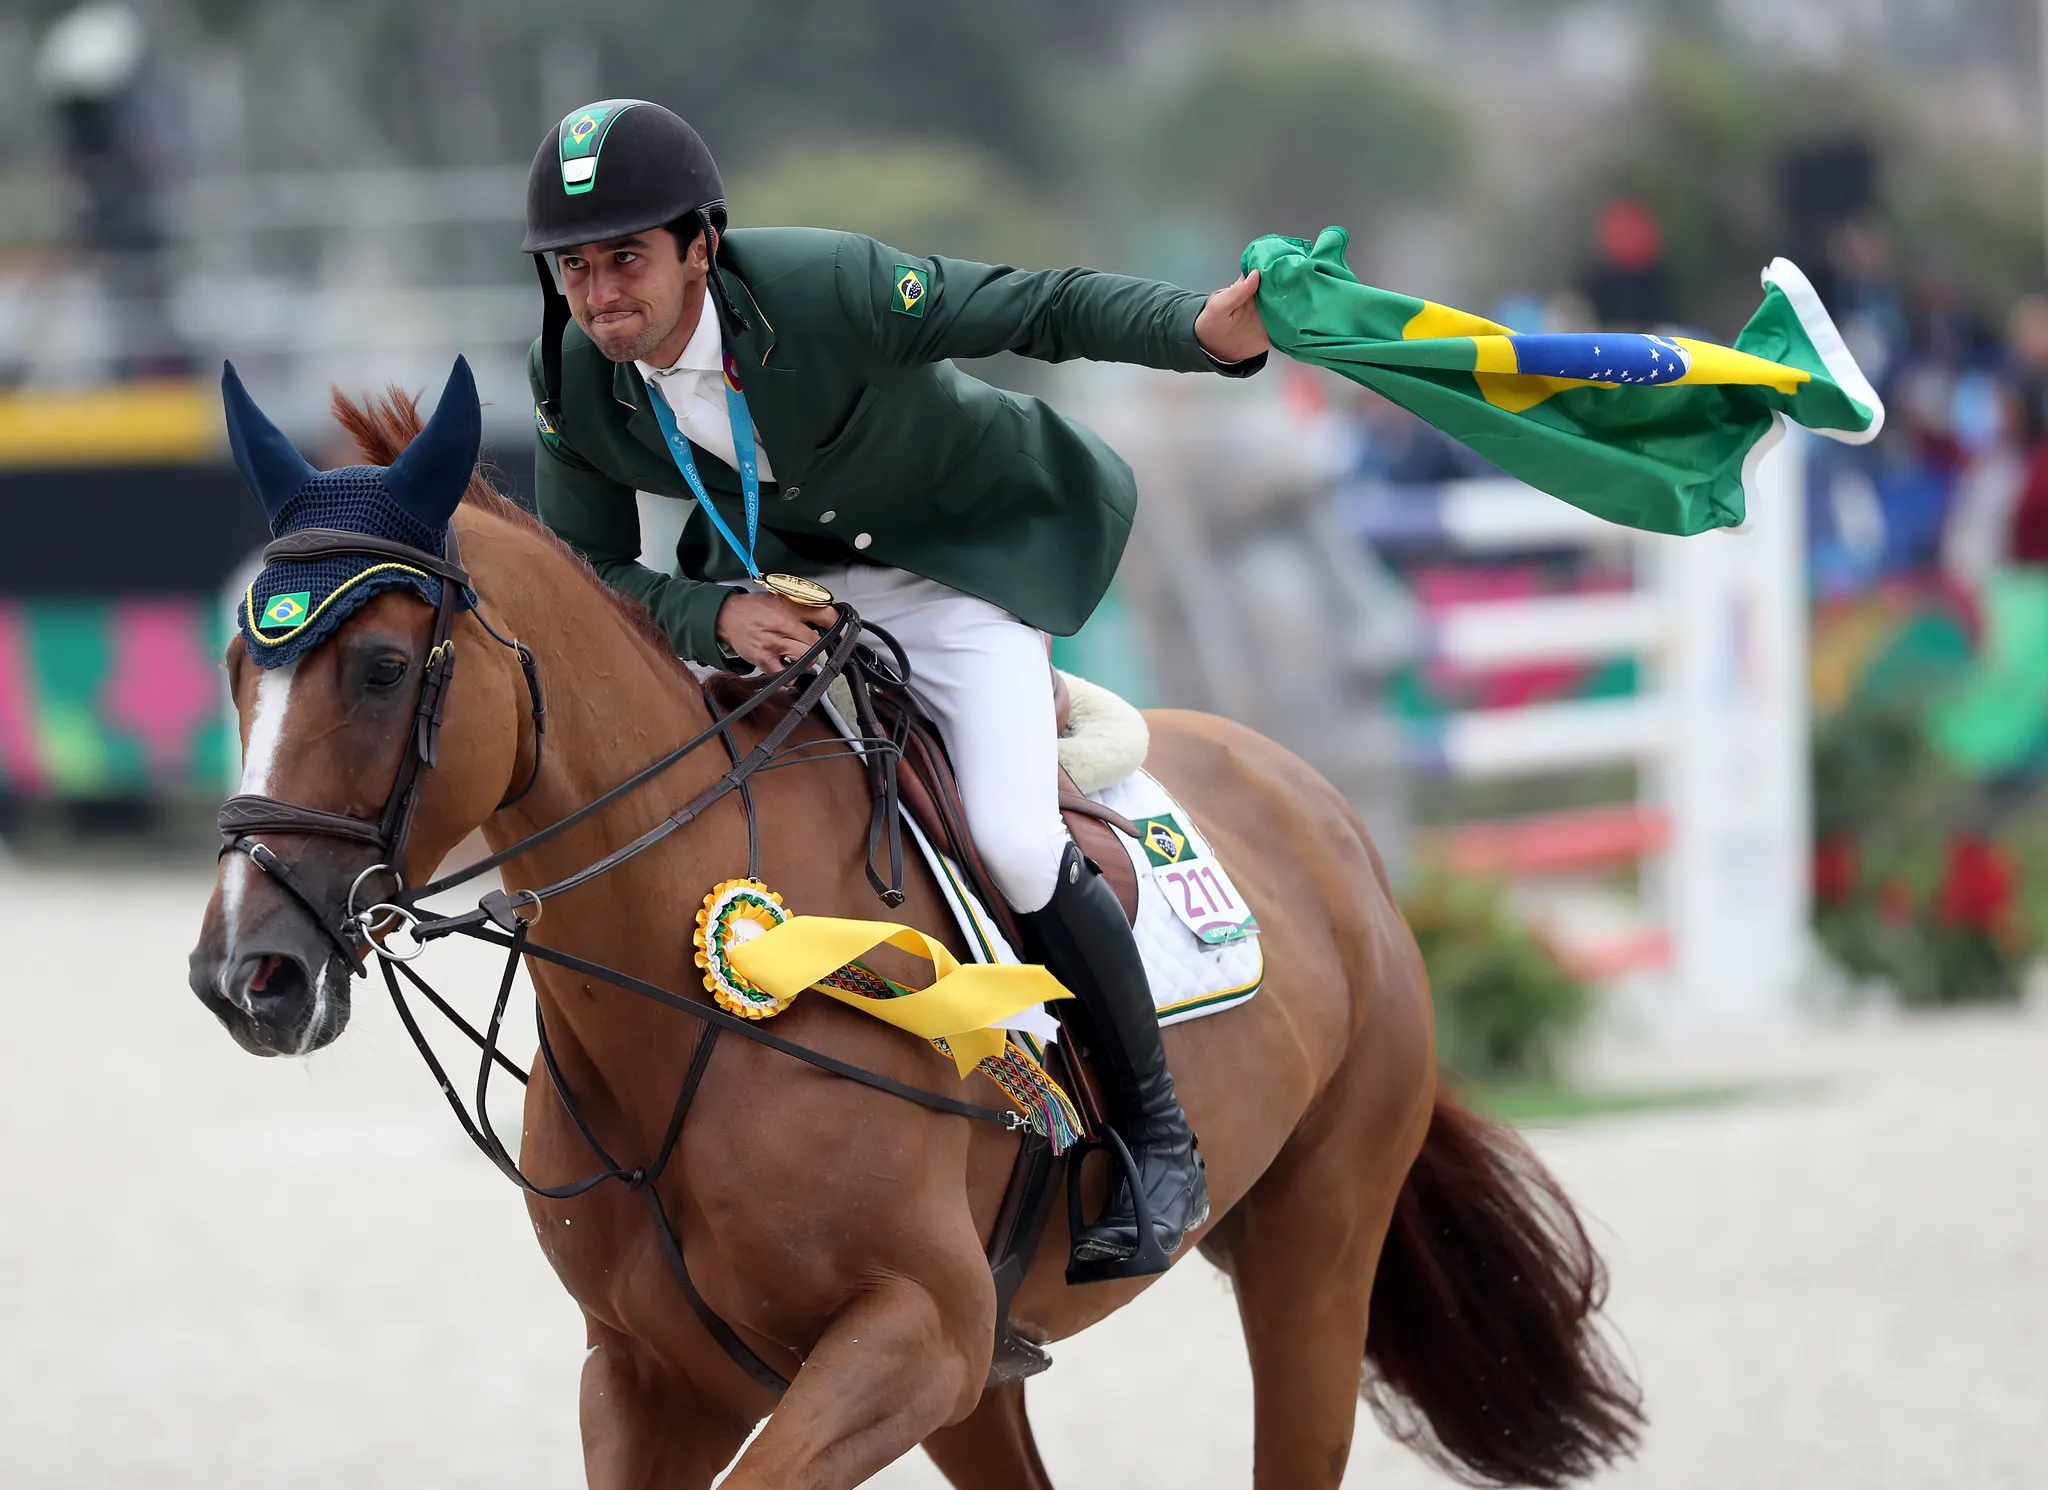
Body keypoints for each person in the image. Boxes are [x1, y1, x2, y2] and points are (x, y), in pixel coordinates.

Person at [521, 100, 1269, 1274]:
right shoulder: (573, 375)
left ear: (698, 247)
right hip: (781, 603)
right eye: (575, 267)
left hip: (955, 570)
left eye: (626, 258)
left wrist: (1199, 332)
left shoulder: (826, 287)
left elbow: (1039, 303)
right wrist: (707, 611)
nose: (601, 292)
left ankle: (1156, 1140)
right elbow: (589, 570)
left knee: (1017, 842)